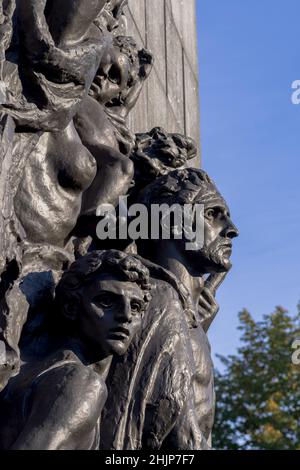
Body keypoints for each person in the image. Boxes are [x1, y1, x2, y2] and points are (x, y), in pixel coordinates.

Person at [0, 250, 152, 450]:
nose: (126, 316)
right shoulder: (79, 383)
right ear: (71, 307)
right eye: (106, 301)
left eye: (135, 307)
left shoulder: (43, 371)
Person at [135, 168, 239, 447]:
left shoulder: (181, 312)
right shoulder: (157, 303)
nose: (232, 229)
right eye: (212, 213)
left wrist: (197, 327)